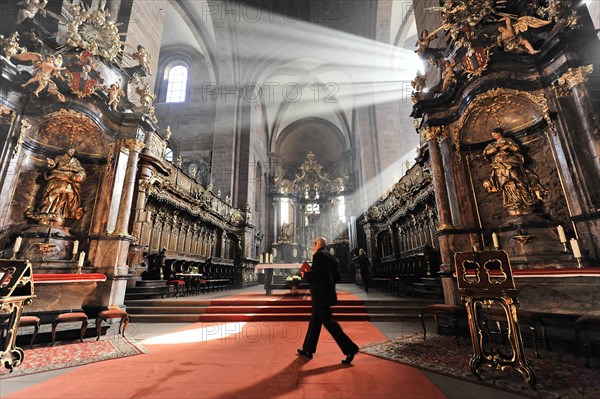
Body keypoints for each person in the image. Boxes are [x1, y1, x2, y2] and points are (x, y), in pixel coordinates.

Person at [297, 237, 359, 364]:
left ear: (316, 245)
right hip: (326, 295)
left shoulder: (319, 256)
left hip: (320, 296)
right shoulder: (331, 257)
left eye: (313, 244)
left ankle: (350, 348)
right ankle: (308, 349)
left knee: (330, 323)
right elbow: (337, 277)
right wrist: (327, 283)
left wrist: (305, 275)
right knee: (314, 322)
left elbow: (316, 276)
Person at [483, 128, 546, 211]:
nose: (494, 136)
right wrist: (496, 148)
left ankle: (527, 198)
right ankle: (512, 201)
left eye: (495, 134)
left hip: (510, 163)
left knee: (518, 180)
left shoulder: (508, 140)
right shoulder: (492, 144)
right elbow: (486, 152)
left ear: (500, 133)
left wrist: (508, 146)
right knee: (505, 184)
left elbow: (516, 148)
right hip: (499, 165)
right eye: (493, 135)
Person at [38, 148, 86, 220]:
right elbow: (52, 166)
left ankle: (58, 212)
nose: (72, 152)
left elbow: (81, 170)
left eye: (73, 151)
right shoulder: (59, 158)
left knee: (66, 195)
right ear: (66, 150)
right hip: (57, 176)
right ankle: (45, 211)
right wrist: (51, 164)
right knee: (52, 192)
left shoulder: (75, 161)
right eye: (71, 150)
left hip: (69, 179)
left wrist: (79, 175)